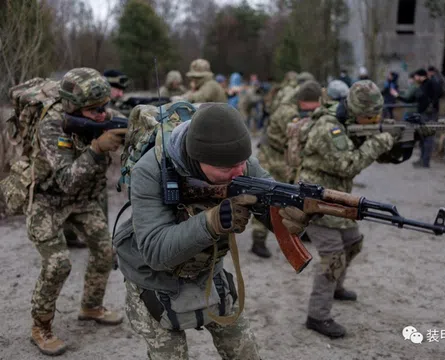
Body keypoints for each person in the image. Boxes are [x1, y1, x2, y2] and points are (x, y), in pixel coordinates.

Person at [113, 103, 309, 359]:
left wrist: (293, 216)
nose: (239, 173)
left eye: (242, 163)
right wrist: (213, 221)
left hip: (207, 271)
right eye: (227, 169)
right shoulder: (150, 170)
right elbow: (155, 251)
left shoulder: (238, 162)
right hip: (153, 280)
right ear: (196, 160)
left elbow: (271, 201)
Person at [28, 68, 125, 356]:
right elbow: (66, 180)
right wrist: (96, 148)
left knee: (105, 251)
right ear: (72, 106)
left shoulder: (101, 116)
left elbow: (124, 119)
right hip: (48, 202)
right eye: (93, 110)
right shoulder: (52, 125)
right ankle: (41, 327)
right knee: (58, 263)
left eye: (104, 107)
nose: (102, 114)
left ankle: (91, 307)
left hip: (82, 202)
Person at [300, 80, 395, 338]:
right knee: (333, 255)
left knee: (353, 242)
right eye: (369, 116)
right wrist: (379, 141)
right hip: (316, 201)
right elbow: (347, 164)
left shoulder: (347, 121)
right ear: (355, 111)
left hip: (338, 198)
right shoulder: (328, 127)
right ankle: (317, 316)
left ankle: (336, 287)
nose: (373, 119)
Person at [252, 80, 323, 258]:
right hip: (271, 157)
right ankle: (258, 240)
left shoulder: (298, 106)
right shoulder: (287, 111)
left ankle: (301, 231)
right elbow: (301, 133)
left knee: (294, 197)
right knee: (265, 199)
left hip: (286, 157)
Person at [390, 68, 440, 168]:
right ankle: (422, 160)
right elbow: (410, 99)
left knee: (428, 137)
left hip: (429, 114)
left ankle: (425, 162)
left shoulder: (430, 83)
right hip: (422, 114)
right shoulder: (422, 86)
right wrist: (397, 96)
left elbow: (437, 94)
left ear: (421, 76)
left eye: (416, 76)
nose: (415, 78)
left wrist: (431, 106)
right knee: (422, 137)